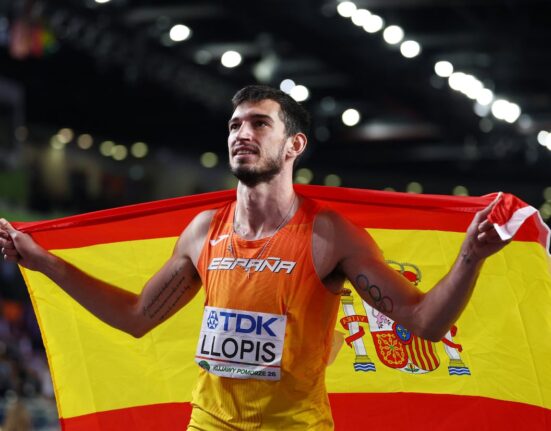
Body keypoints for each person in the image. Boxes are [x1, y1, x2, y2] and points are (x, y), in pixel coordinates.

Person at [0, 85, 509, 430]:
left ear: (294, 145)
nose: (241, 133)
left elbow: (423, 322)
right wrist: (44, 262)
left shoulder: (328, 235)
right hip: (209, 423)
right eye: (234, 125)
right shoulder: (204, 231)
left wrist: (471, 256)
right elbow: (136, 318)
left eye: (259, 124)